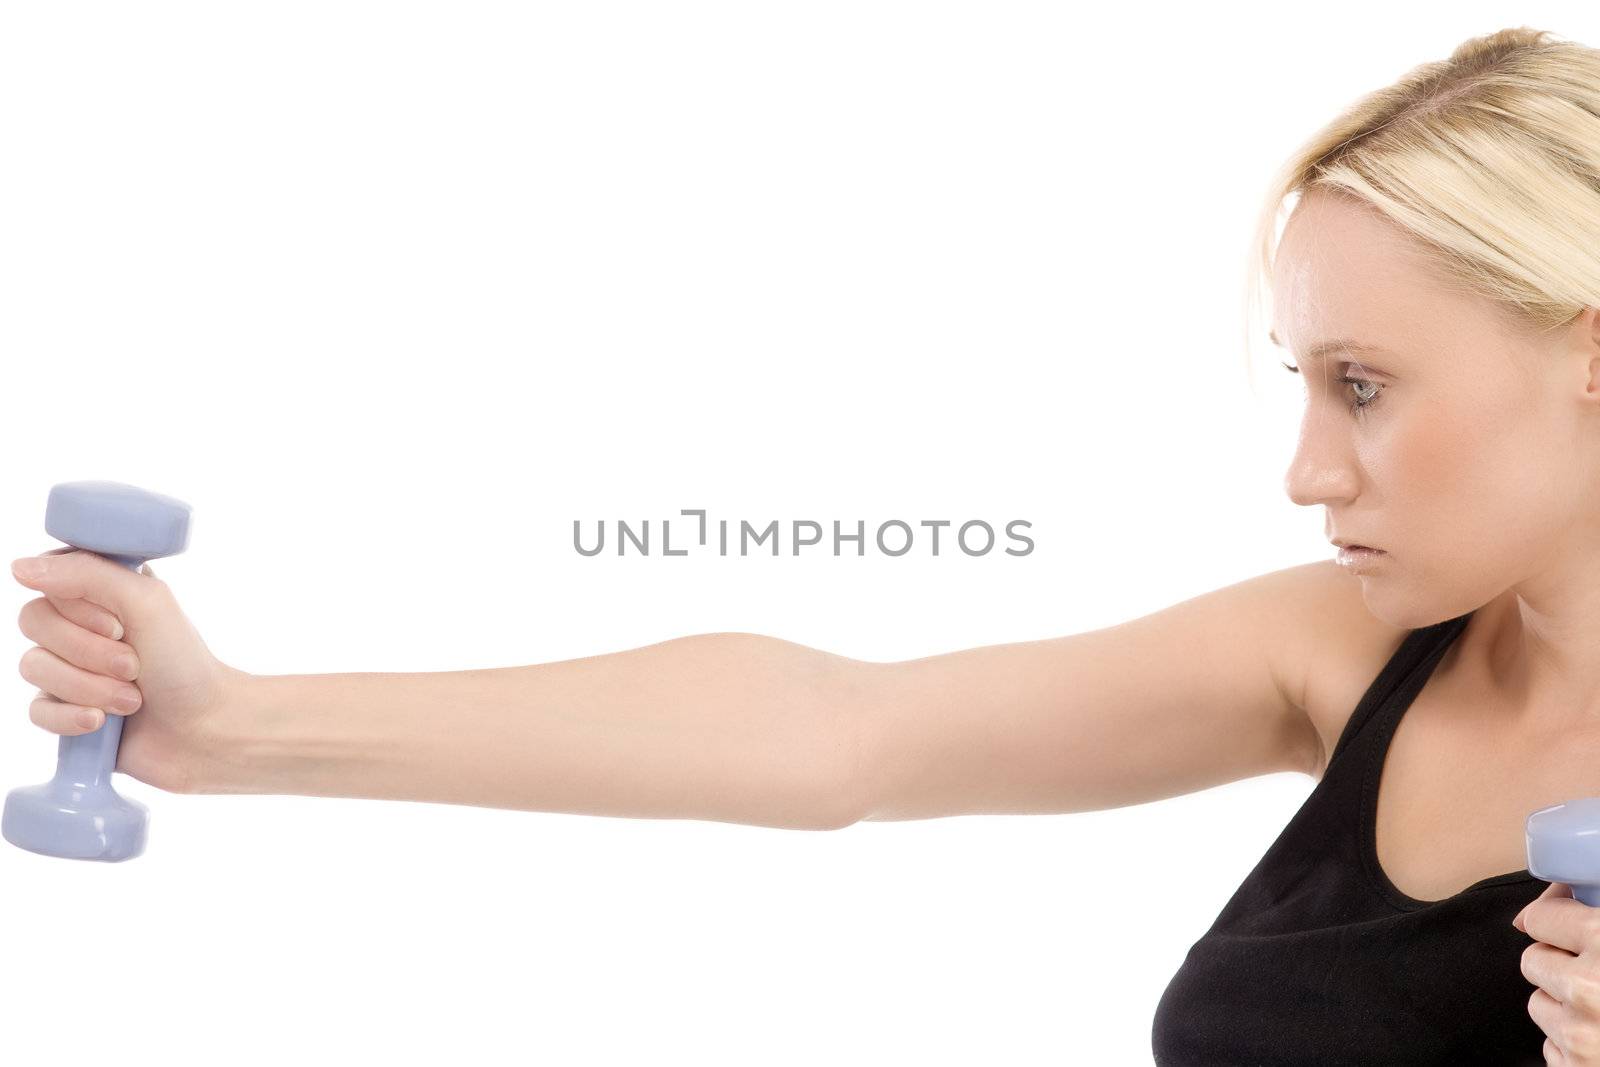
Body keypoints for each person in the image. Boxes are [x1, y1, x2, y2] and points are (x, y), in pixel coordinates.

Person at [8, 22, 1600, 1065]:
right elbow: (839, 731)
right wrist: (233, 728)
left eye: (1367, 388)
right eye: (1305, 384)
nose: (1308, 470)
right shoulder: (1348, 651)